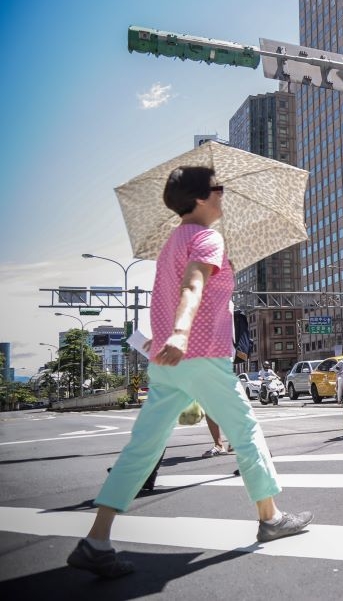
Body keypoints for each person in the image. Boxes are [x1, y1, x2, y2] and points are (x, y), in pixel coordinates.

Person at [66, 166, 311, 578]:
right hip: (198, 355)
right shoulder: (206, 237)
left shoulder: (172, 242)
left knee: (143, 447)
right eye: (218, 189)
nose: (223, 195)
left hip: (166, 363)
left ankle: (97, 538)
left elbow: (190, 286)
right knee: (246, 431)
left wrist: (174, 336)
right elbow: (193, 286)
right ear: (200, 197)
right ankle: (270, 518)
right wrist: (182, 332)